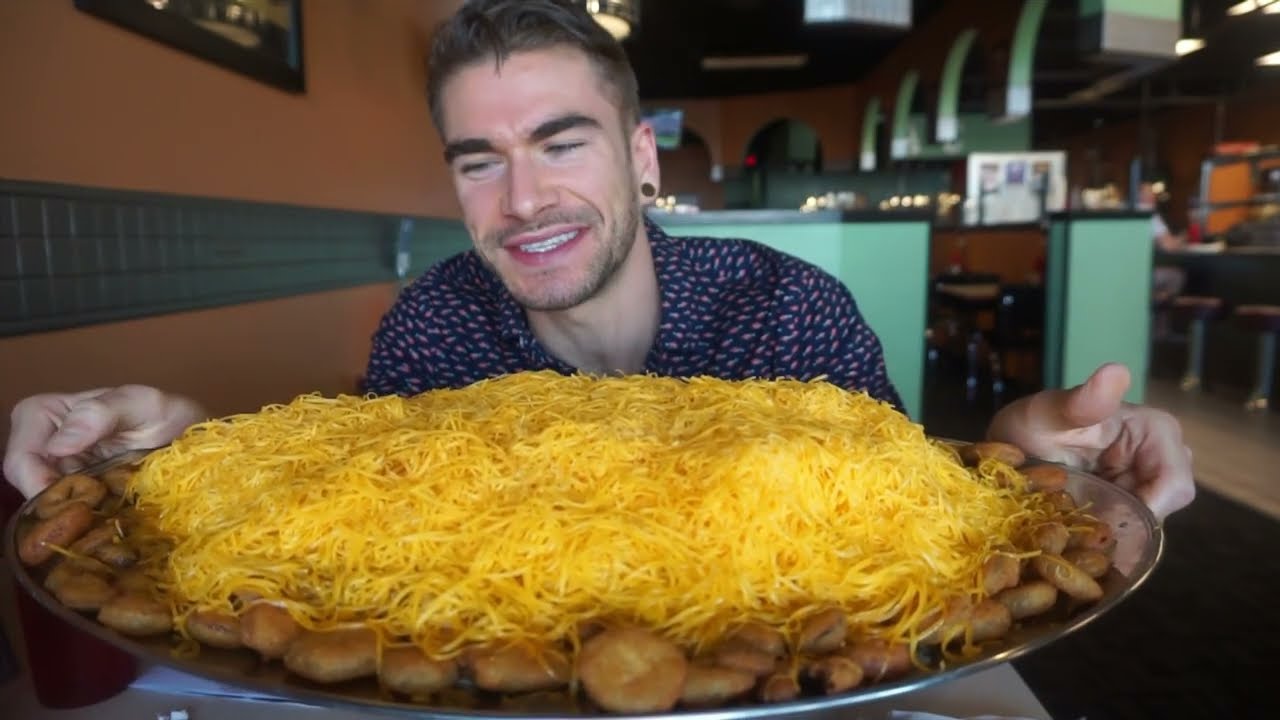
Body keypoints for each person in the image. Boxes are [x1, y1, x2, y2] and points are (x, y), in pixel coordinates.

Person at [2, 0, 1193, 520]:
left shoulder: (789, 308)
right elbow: (353, 515)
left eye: (559, 144)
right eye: (479, 160)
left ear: (639, 157)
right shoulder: (430, 329)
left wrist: (1012, 458)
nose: (521, 200)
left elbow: (900, 512)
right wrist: (183, 452)